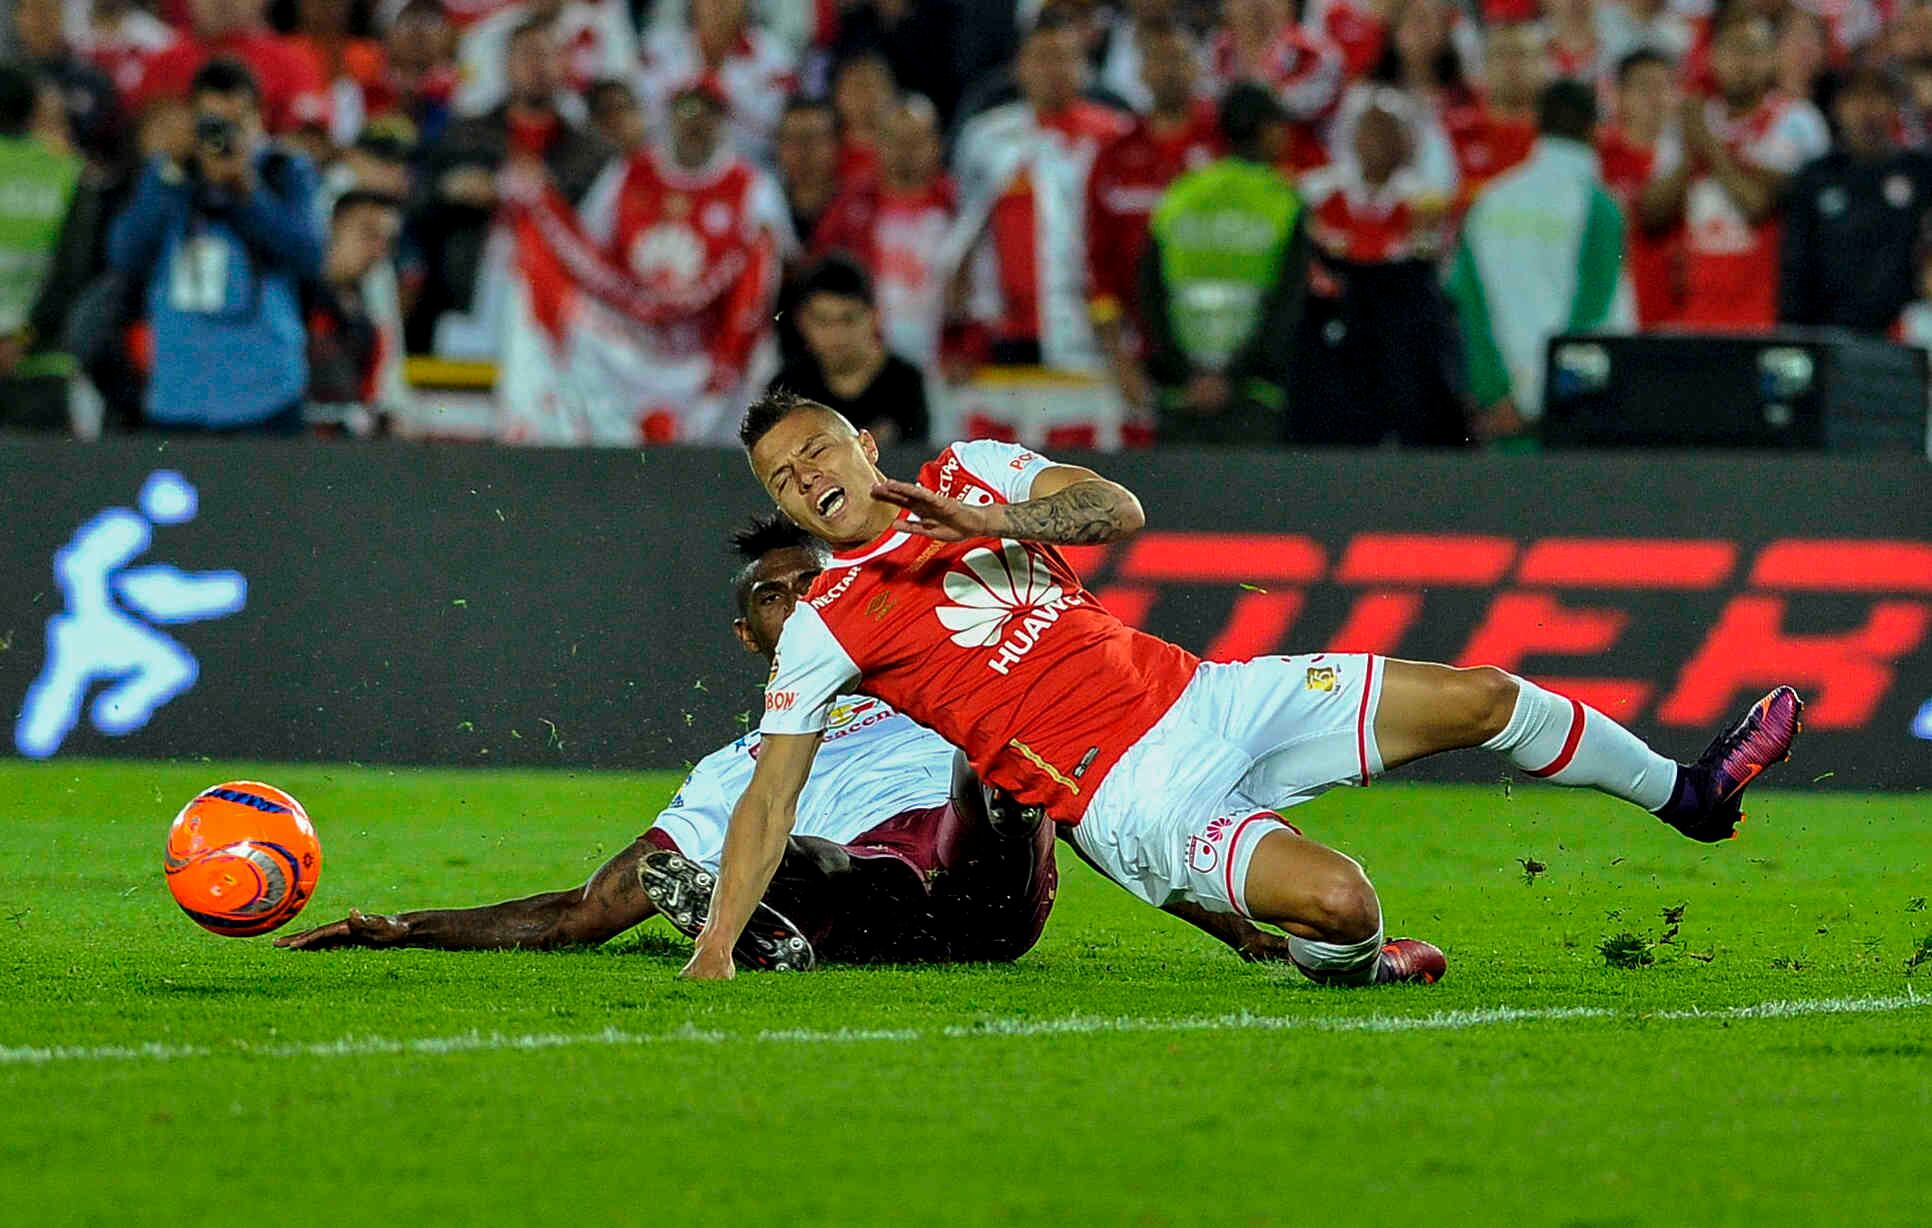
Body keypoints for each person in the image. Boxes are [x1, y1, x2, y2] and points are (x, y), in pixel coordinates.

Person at [677, 390, 1805, 983]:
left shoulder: (972, 469)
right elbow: (774, 795)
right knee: (1348, 904)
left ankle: (1690, 797)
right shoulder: (826, 621)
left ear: (862, 441)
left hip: (1207, 695)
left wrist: (992, 521)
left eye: (816, 450)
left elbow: (1118, 512)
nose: (807, 477)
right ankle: (1346, 965)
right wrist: (718, 943)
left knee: (1485, 694)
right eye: (783, 478)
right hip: (1130, 795)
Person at [275, 517, 1064, 967]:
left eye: (814, 587)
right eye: (771, 597)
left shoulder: (931, 681)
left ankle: (993, 817)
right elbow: (585, 911)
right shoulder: (733, 771)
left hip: (984, 879)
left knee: (987, 768)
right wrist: (411, 929)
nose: (798, 607)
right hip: (875, 899)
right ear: (747, 635)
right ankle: (761, 918)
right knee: (779, 852)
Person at [107, 58, 323, 433]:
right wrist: (170, 174)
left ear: (259, 119)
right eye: (211, 124)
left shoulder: (282, 170)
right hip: (180, 391)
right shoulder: (169, 175)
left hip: (267, 388)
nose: (223, 138)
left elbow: (309, 257)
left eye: (236, 123)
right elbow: (124, 255)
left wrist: (247, 191)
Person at [570, 77, 787, 440]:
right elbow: (586, 255)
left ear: (724, 122)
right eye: (687, 112)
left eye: (708, 114)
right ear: (669, 117)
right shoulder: (627, 174)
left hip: (714, 351)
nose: (695, 124)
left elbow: (766, 278)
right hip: (632, 350)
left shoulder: (752, 187)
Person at [1447, 79, 1632, 443]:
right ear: (1595, 130)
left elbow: (1469, 305)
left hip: (1501, 416)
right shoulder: (1600, 209)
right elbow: (1592, 316)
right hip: (1571, 415)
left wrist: (1497, 396)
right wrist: (1538, 405)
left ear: (1536, 124)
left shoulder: (1489, 201)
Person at [411, 16, 611, 350]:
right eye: (528, 55)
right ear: (506, 64)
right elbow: (418, 203)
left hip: (562, 309)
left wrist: (548, 195)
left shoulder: (594, 152)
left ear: (565, 64)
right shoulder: (462, 135)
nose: (539, 66)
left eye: (549, 55)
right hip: (469, 299)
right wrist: (451, 190)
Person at [950, 5, 1129, 372]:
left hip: (1093, 322)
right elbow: (962, 234)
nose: (1054, 70)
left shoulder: (1116, 135)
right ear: (1020, 66)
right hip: (1008, 326)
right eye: (1042, 57)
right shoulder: (986, 137)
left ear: (1083, 65)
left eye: (1064, 57)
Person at [1294, 86, 1466, 446]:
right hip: (1337, 343)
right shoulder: (1318, 193)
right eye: (1369, 128)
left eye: (1389, 130)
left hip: (1401, 344)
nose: (1378, 140)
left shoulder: (1427, 201)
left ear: (1408, 139)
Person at [1137, 83, 1307, 446]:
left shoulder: (1180, 194)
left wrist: (1185, 375)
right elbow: (1288, 305)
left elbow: (1150, 294)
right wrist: (1233, 378)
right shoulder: (1282, 201)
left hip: (1181, 394)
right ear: (1268, 130)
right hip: (1254, 396)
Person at [1641, 10, 1828, 330]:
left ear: (1772, 58)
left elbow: (1755, 206)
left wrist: (1705, 144)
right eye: (1731, 49)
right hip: (1696, 312)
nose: (1741, 62)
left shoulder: (1796, 121)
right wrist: (1689, 156)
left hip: (1766, 314)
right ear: (1712, 57)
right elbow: (1651, 212)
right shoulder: (1688, 121)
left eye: (1753, 50)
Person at [1085, 15, 1221, 419]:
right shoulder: (1114, 157)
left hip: (1220, 348)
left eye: (1179, 59)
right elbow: (1098, 263)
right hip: (1144, 352)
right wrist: (1118, 357)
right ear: (1142, 71)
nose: (1168, 71)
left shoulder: (1222, 145)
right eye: (1157, 60)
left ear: (1197, 67)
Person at [1778, 67, 1932, 332]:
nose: (1867, 109)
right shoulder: (1816, 177)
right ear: (1838, 107)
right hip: (1829, 335)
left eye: (1878, 97)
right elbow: (1796, 264)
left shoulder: (1921, 173)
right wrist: (1793, 328)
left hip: (1906, 336)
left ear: (1896, 105)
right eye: (1856, 98)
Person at [0, 63, 87, 432]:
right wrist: (20, 338)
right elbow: (71, 271)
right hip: (41, 361)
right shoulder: (68, 171)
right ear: (34, 108)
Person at [770, 256, 928, 444]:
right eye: (823, 320)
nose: (836, 334)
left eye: (848, 319)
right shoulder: (787, 388)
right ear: (802, 321)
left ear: (874, 317)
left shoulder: (907, 384)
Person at [125, 0, 330, 136]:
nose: (222, 2)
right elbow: (140, 142)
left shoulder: (292, 63)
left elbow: (312, 139)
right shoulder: (162, 63)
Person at [1596, 48, 1682, 329]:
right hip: (1617, 310)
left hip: (1678, 312)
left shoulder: (1689, 159)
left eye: (1665, 86)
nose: (1656, 98)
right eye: (1644, 87)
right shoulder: (1596, 158)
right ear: (1619, 96)